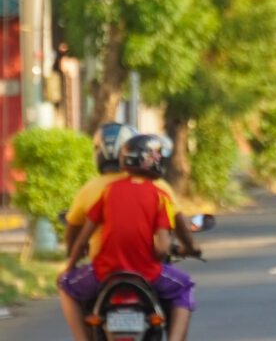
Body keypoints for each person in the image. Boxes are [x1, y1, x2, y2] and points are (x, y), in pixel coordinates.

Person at [58, 134, 198, 341]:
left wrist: (69, 267)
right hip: (147, 273)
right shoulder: (160, 195)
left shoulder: (108, 191)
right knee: (184, 286)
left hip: (104, 273)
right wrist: (181, 249)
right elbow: (161, 248)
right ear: (156, 162)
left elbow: (82, 238)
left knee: (65, 285)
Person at [64, 123, 200, 263]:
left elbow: (73, 232)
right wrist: (190, 247)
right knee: (183, 284)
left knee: (66, 282)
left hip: (103, 269)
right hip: (147, 267)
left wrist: (71, 258)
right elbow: (179, 225)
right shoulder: (158, 187)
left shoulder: (92, 189)